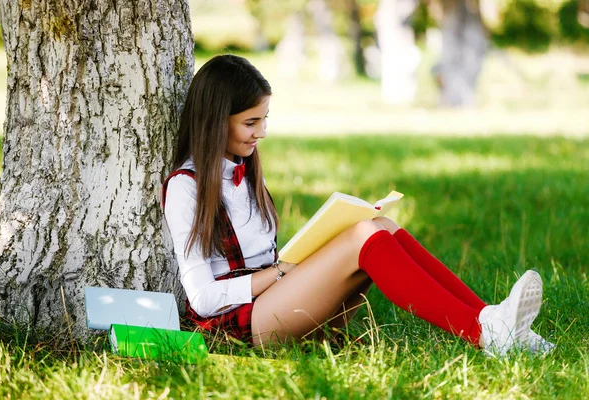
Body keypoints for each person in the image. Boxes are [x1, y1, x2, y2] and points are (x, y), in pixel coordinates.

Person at [162, 54, 554, 356]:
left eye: (265, 119)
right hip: (239, 326)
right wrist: (281, 273)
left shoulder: (245, 169)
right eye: (251, 123)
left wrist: (297, 261)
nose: (262, 133)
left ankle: (492, 320)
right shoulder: (186, 187)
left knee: (380, 227)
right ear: (216, 120)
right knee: (365, 235)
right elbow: (202, 297)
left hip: (277, 300)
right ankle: (486, 333)